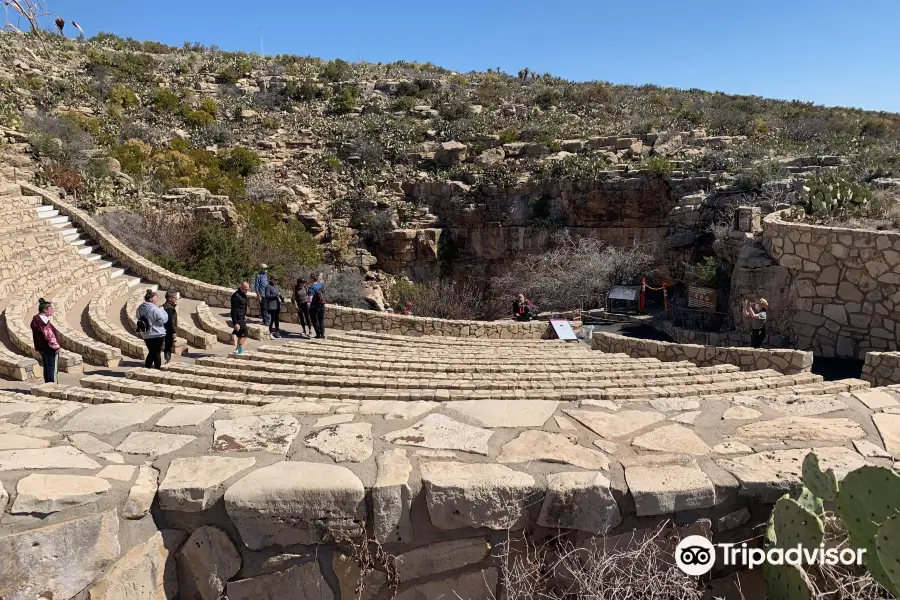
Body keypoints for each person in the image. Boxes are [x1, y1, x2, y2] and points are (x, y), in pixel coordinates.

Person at [30, 298, 61, 383]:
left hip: (41, 347)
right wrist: (56, 347)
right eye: (50, 309)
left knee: (46, 367)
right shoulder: (44, 323)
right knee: (52, 368)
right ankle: (53, 387)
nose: (52, 311)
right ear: (45, 310)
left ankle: (47, 385)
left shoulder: (36, 319)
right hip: (49, 348)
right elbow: (49, 336)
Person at [137, 289, 168, 369]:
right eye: (156, 298)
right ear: (151, 299)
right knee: (157, 353)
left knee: (152, 352)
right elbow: (164, 320)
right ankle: (157, 370)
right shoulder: (155, 309)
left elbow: (138, 317)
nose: (157, 299)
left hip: (146, 334)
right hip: (157, 334)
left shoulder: (140, 308)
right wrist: (163, 311)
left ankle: (147, 368)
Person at [231, 281, 250, 354]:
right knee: (245, 333)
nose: (247, 291)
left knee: (240, 335)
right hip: (238, 318)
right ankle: (238, 349)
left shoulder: (243, 294)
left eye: (247, 289)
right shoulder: (236, 296)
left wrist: (244, 314)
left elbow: (242, 307)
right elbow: (233, 310)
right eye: (245, 289)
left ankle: (238, 351)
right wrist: (235, 323)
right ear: (241, 287)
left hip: (242, 317)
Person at [308, 272, 326, 339]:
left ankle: (318, 334)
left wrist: (307, 301)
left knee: (314, 320)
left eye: (310, 278)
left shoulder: (311, 288)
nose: (309, 279)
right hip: (321, 305)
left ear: (312, 279)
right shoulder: (321, 286)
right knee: (321, 320)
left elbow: (310, 299)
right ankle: (322, 335)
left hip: (314, 306)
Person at [162, 290, 179, 362]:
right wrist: (173, 332)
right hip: (168, 331)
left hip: (165, 330)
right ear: (170, 298)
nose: (176, 299)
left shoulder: (166, 306)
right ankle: (167, 360)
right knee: (168, 346)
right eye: (175, 297)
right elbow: (169, 321)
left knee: (167, 346)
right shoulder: (169, 308)